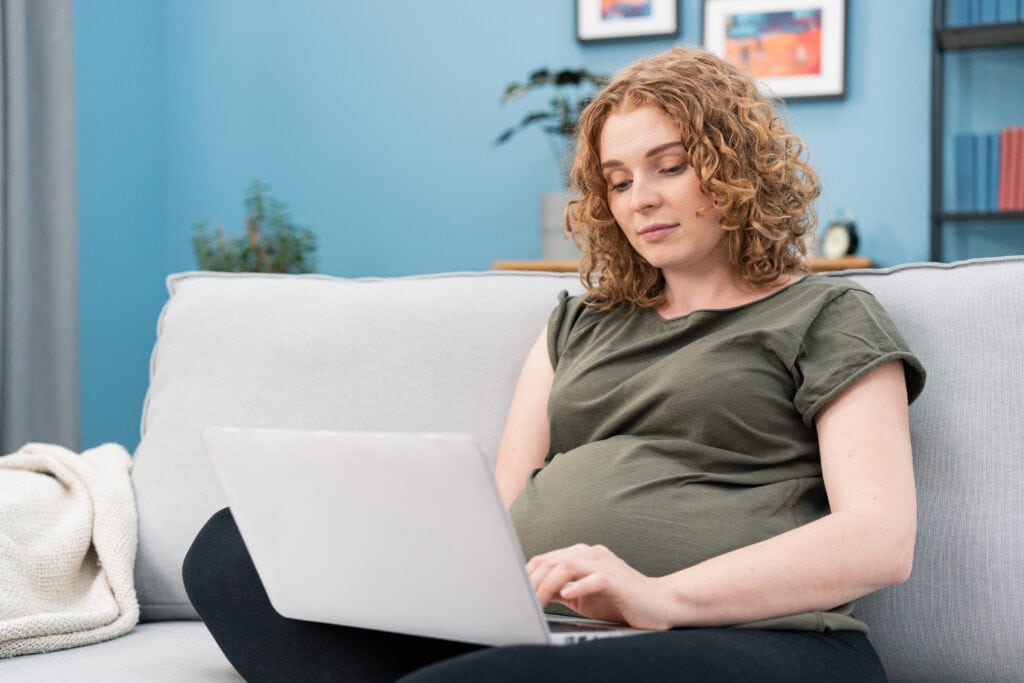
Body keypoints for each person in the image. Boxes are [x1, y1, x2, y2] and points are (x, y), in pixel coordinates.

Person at [183, 46, 926, 682]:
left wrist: (660, 596)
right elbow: (499, 512)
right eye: (619, 179)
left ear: (735, 168)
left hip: (759, 640)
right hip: (542, 629)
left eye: (669, 166)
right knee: (233, 545)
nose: (642, 199)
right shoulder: (576, 324)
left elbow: (879, 540)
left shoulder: (826, 316)